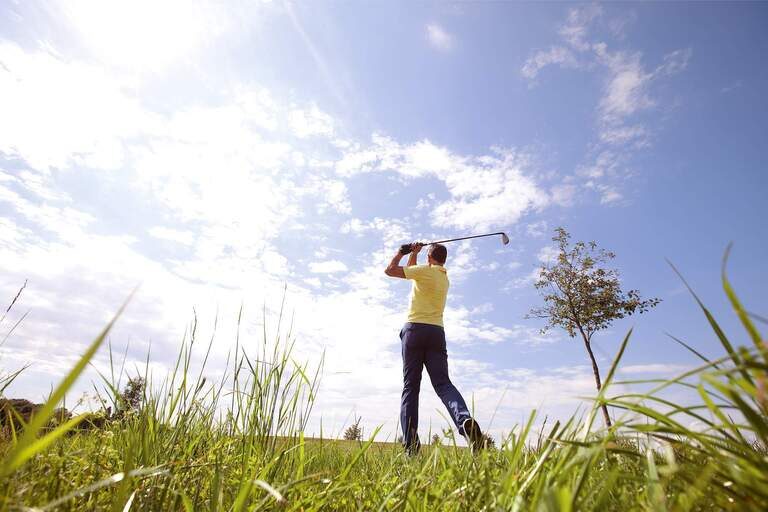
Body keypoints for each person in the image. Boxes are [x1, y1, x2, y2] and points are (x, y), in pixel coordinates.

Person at [385, 241, 484, 455]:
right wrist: (415, 254)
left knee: (411, 388)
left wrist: (401, 252)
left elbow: (390, 270)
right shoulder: (442, 277)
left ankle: (411, 447)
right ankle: (464, 420)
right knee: (443, 384)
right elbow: (413, 273)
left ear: (429, 258)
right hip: (436, 333)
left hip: (414, 331)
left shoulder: (424, 272)